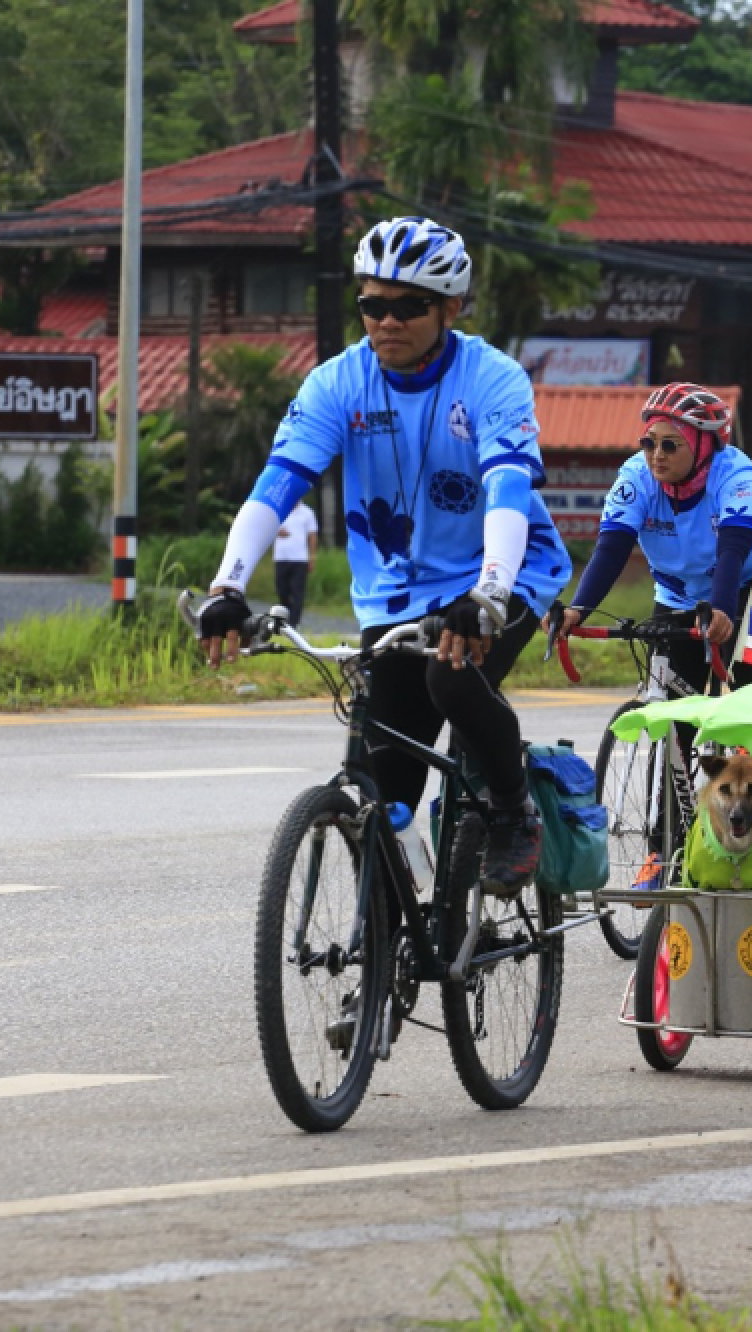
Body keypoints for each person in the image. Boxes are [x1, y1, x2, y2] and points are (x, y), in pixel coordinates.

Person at [194, 216, 573, 894]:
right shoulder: (337, 384)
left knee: (453, 680)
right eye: (372, 305)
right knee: (386, 799)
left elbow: (508, 491)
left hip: (504, 572)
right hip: (395, 595)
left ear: (450, 308)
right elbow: (277, 487)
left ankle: (514, 814)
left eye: (408, 306)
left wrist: (488, 593)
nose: (386, 322)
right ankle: (380, 976)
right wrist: (227, 586)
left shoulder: (493, 378)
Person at [543, 382, 752, 694]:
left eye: (670, 445)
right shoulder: (636, 477)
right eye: (649, 444)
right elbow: (611, 551)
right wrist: (578, 610)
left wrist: (721, 609)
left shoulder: (736, 475)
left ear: (703, 446)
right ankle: (680, 744)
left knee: (747, 691)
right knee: (673, 698)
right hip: (679, 592)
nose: (656, 456)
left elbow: (732, 551)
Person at [271, 501, 319, 626]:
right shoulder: (279, 509)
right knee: (281, 589)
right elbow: (268, 527)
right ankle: (284, 616)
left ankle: (293, 622)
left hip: (300, 558)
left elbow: (312, 535)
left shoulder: (307, 512)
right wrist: (277, 531)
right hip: (281, 557)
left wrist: (312, 557)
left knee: (297, 591)